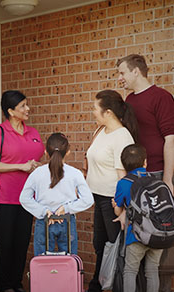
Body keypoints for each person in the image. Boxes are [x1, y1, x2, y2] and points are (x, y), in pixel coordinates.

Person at [117, 54, 174, 292]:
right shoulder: (129, 99)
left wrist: (168, 180)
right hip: (136, 177)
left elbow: (170, 140)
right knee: (137, 239)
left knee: (160, 236)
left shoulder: (162, 97)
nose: (119, 78)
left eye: (122, 72)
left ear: (136, 72)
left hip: (158, 173)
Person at [0, 90, 45, 292]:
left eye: (26, 104)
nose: (27, 109)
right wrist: (21, 166)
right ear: (11, 111)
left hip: (29, 197)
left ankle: (17, 283)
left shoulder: (33, 133)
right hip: (6, 196)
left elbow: (37, 160)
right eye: (22, 106)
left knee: (21, 242)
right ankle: (5, 285)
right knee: (6, 242)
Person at [86, 89, 139, 292]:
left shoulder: (122, 136)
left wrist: (124, 209)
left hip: (112, 200)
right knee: (100, 243)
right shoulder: (100, 131)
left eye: (95, 108)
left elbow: (124, 176)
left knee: (115, 246)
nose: (93, 112)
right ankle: (97, 284)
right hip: (98, 197)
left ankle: (113, 286)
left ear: (108, 112)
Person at [20, 133, 94, 255]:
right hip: (67, 221)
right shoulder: (75, 174)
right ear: (68, 152)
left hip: (44, 220)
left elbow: (24, 198)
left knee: (42, 263)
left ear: (45, 152)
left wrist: (44, 211)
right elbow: (88, 200)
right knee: (68, 262)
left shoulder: (37, 173)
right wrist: (66, 208)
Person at [112, 144, 163, 292]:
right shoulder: (156, 180)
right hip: (157, 233)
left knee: (130, 271)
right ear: (145, 162)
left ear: (123, 164)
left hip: (136, 236)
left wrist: (115, 204)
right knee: (152, 270)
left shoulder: (124, 183)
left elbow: (118, 212)